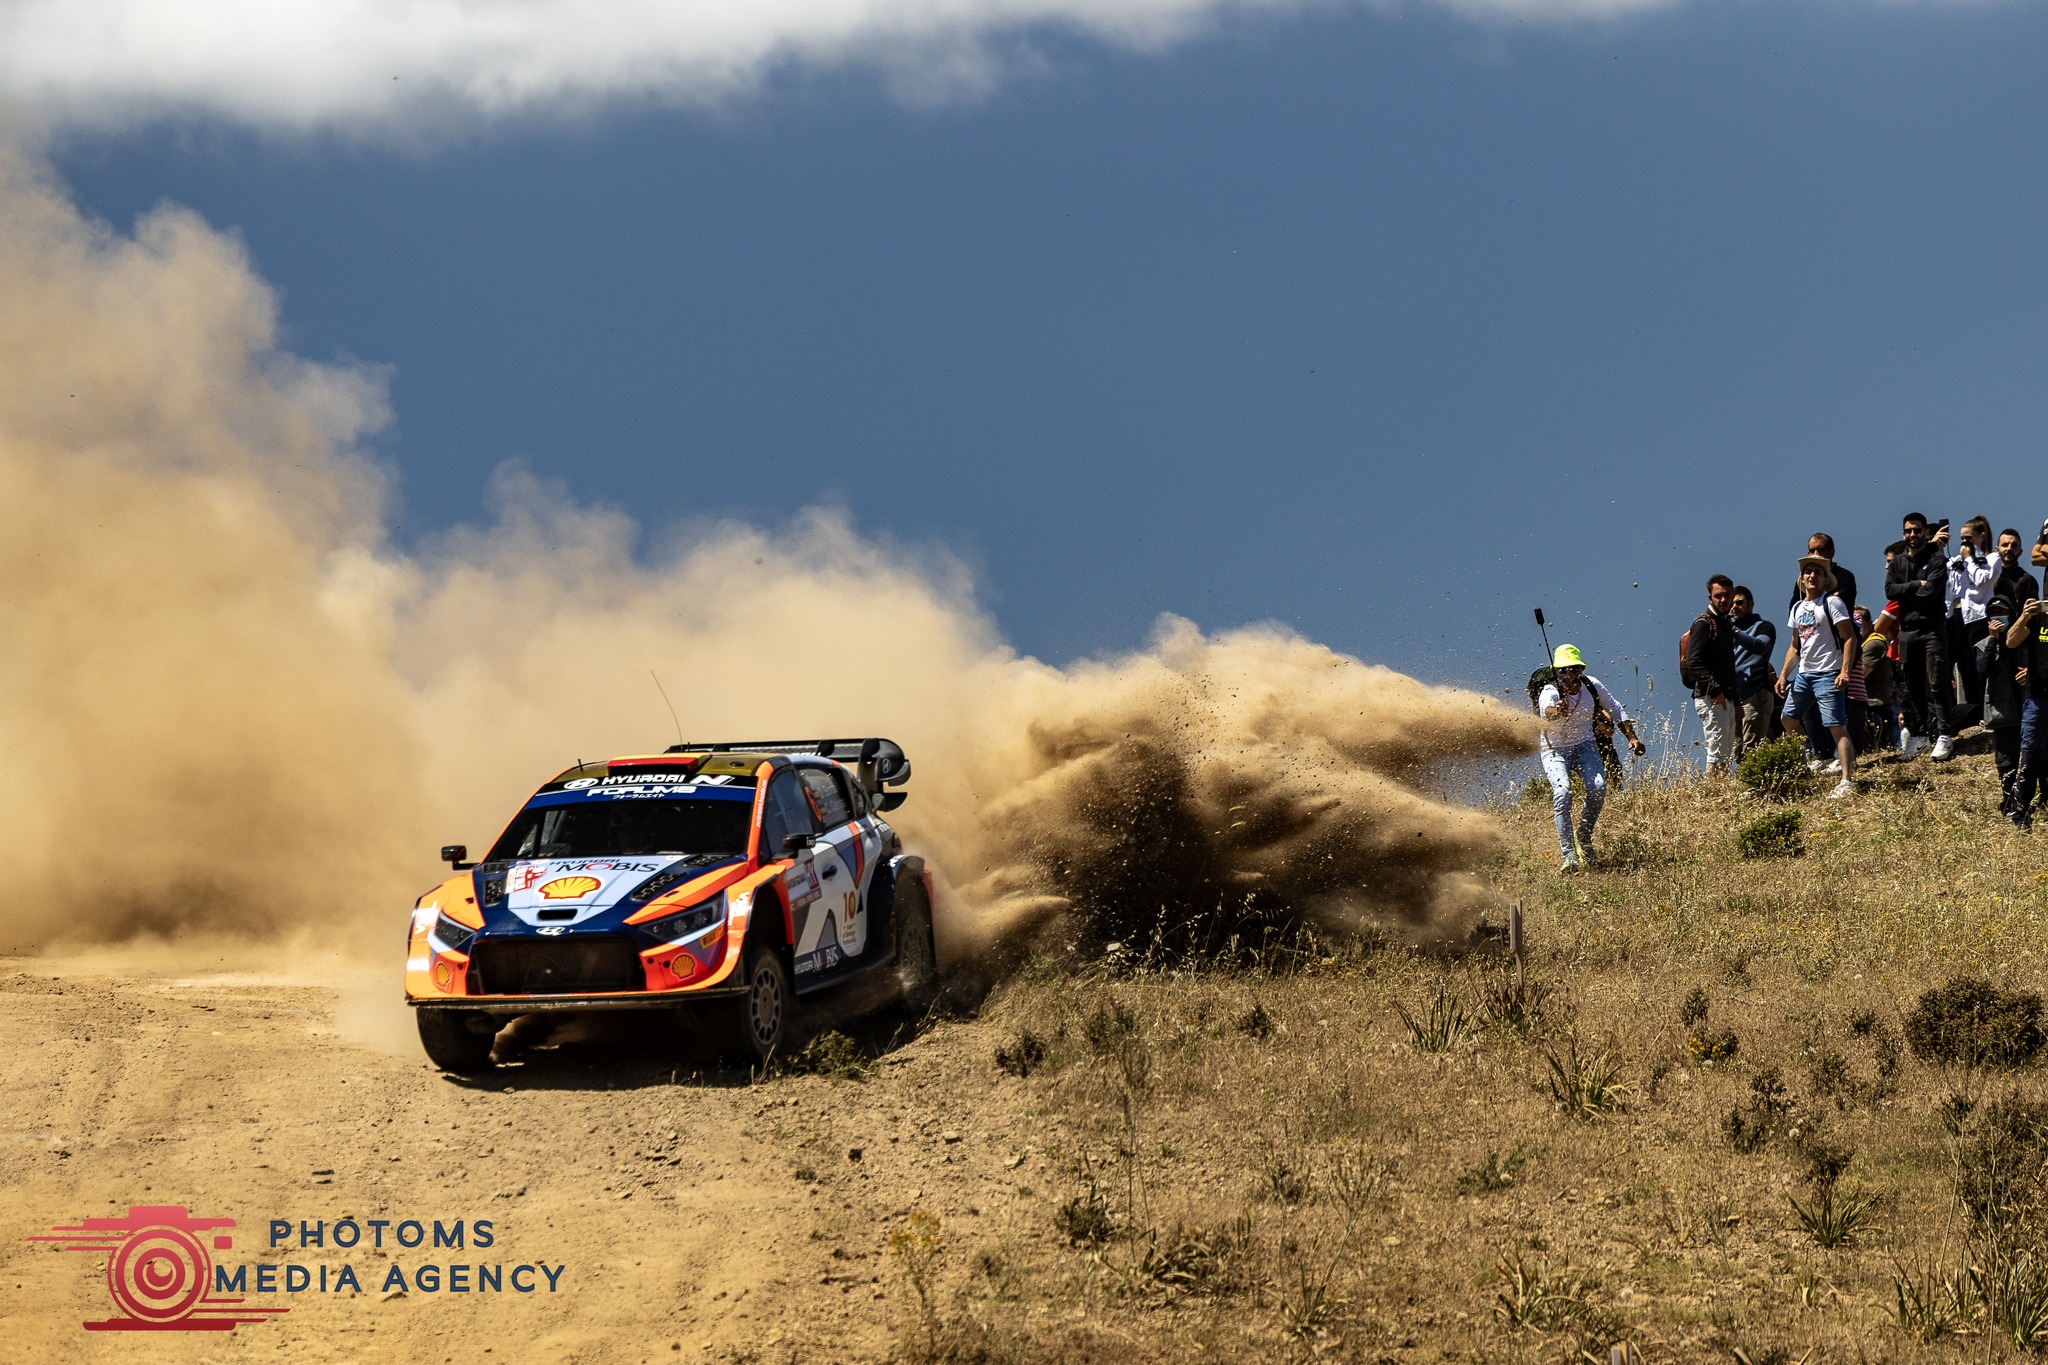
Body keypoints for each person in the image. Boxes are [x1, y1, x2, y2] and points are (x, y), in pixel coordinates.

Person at [1537, 644, 1645, 872]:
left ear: (1581, 670)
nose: (1569, 675)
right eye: (1563, 670)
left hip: (1585, 746)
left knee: (1597, 788)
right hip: (1554, 750)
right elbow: (1547, 711)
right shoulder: (1550, 691)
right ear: (1556, 672)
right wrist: (1556, 712)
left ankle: (1583, 838)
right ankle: (1569, 855)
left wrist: (1632, 738)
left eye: (1574, 669)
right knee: (1562, 792)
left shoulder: (1592, 685)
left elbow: (1615, 709)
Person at [1778, 555, 1858, 800]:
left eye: (1818, 572)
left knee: (1837, 726)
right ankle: (1802, 766)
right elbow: (1795, 645)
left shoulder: (1832, 603)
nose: (1812, 575)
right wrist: (1783, 675)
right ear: (1802, 579)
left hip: (1828, 672)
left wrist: (1844, 671)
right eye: (1808, 572)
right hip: (1804, 674)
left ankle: (1847, 780)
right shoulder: (1797, 608)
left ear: (1825, 580)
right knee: (1787, 719)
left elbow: (1849, 637)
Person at [1886, 513, 1956, 760]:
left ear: (1925, 532)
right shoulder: (1898, 562)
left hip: (1932, 630)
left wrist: (1908, 591)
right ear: (1903, 533)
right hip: (1907, 631)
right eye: (1908, 531)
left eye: (1917, 530)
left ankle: (1945, 734)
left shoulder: (1936, 558)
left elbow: (1932, 592)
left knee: (1937, 682)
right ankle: (1919, 736)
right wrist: (1917, 584)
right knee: (1912, 685)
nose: (1912, 535)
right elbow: (1890, 590)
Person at [1685, 576, 1741, 775]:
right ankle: (1712, 788)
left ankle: (1720, 788)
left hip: (1724, 697)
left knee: (1725, 753)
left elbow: (1727, 667)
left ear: (1732, 596)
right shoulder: (1704, 624)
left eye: (1727, 595)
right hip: (1710, 697)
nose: (1723, 600)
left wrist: (1735, 700)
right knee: (1716, 752)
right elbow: (1694, 662)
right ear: (1710, 597)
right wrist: (1715, 690)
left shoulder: (1724, 624)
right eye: (1718, 596)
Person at [1946, 515, 1998, 729]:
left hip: (1979, 617)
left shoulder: (1992, 558)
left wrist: (1969, 559)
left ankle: (1987, 710)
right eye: (1962, 539)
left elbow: (1981, 580)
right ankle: (1973, 712)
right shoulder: (1958, 561)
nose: (1964, 543)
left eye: (1969, 538)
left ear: (1981, 536)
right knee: (1964, 667)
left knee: (1981, 667)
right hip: (1959, 617)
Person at [1979, 596, 2025, 815]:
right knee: (2006, 761)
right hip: (2002, 710)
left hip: (2026, 705)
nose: (1998, 617)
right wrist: (1992, 640)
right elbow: (1982, 671)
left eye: (2002, 612)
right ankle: (2008, 800)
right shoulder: (1982, 645)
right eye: (1993, 613)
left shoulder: (2024, 638)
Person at [2006, 596, 2048, 831]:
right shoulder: (2038, 616)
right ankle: (2020, 812)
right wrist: (2024, 616)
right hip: (2038, 698)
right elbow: (2011, 641)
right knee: (2029, 755)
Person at [1728, 587, 1778, 757]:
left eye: (1739, 603)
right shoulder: (1728, 629)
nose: (1734, 607)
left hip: (1754, 694)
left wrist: (1733, 630)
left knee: (1752, 749)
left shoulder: (1763, 626)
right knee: (1737, 751)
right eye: (1731, 604)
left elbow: (1761, 646)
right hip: (1734, 698)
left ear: (1751, 604)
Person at [1857, 606, 1900, 750]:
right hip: (1865, 706)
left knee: (1881, 749)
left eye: (1859, 620)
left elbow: (1860, 675)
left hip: (1876, 707)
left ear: (1869, 623)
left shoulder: (1874, 643)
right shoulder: (1859, 644)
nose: (1856, 625)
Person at [1999, 528, 2040, 617]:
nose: (2009, 549)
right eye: (2005, 545)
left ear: (2020, 552)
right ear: (1997, 549)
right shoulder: (1988, 578)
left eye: (2014, 545)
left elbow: (2032, 617)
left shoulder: (2027, 581)